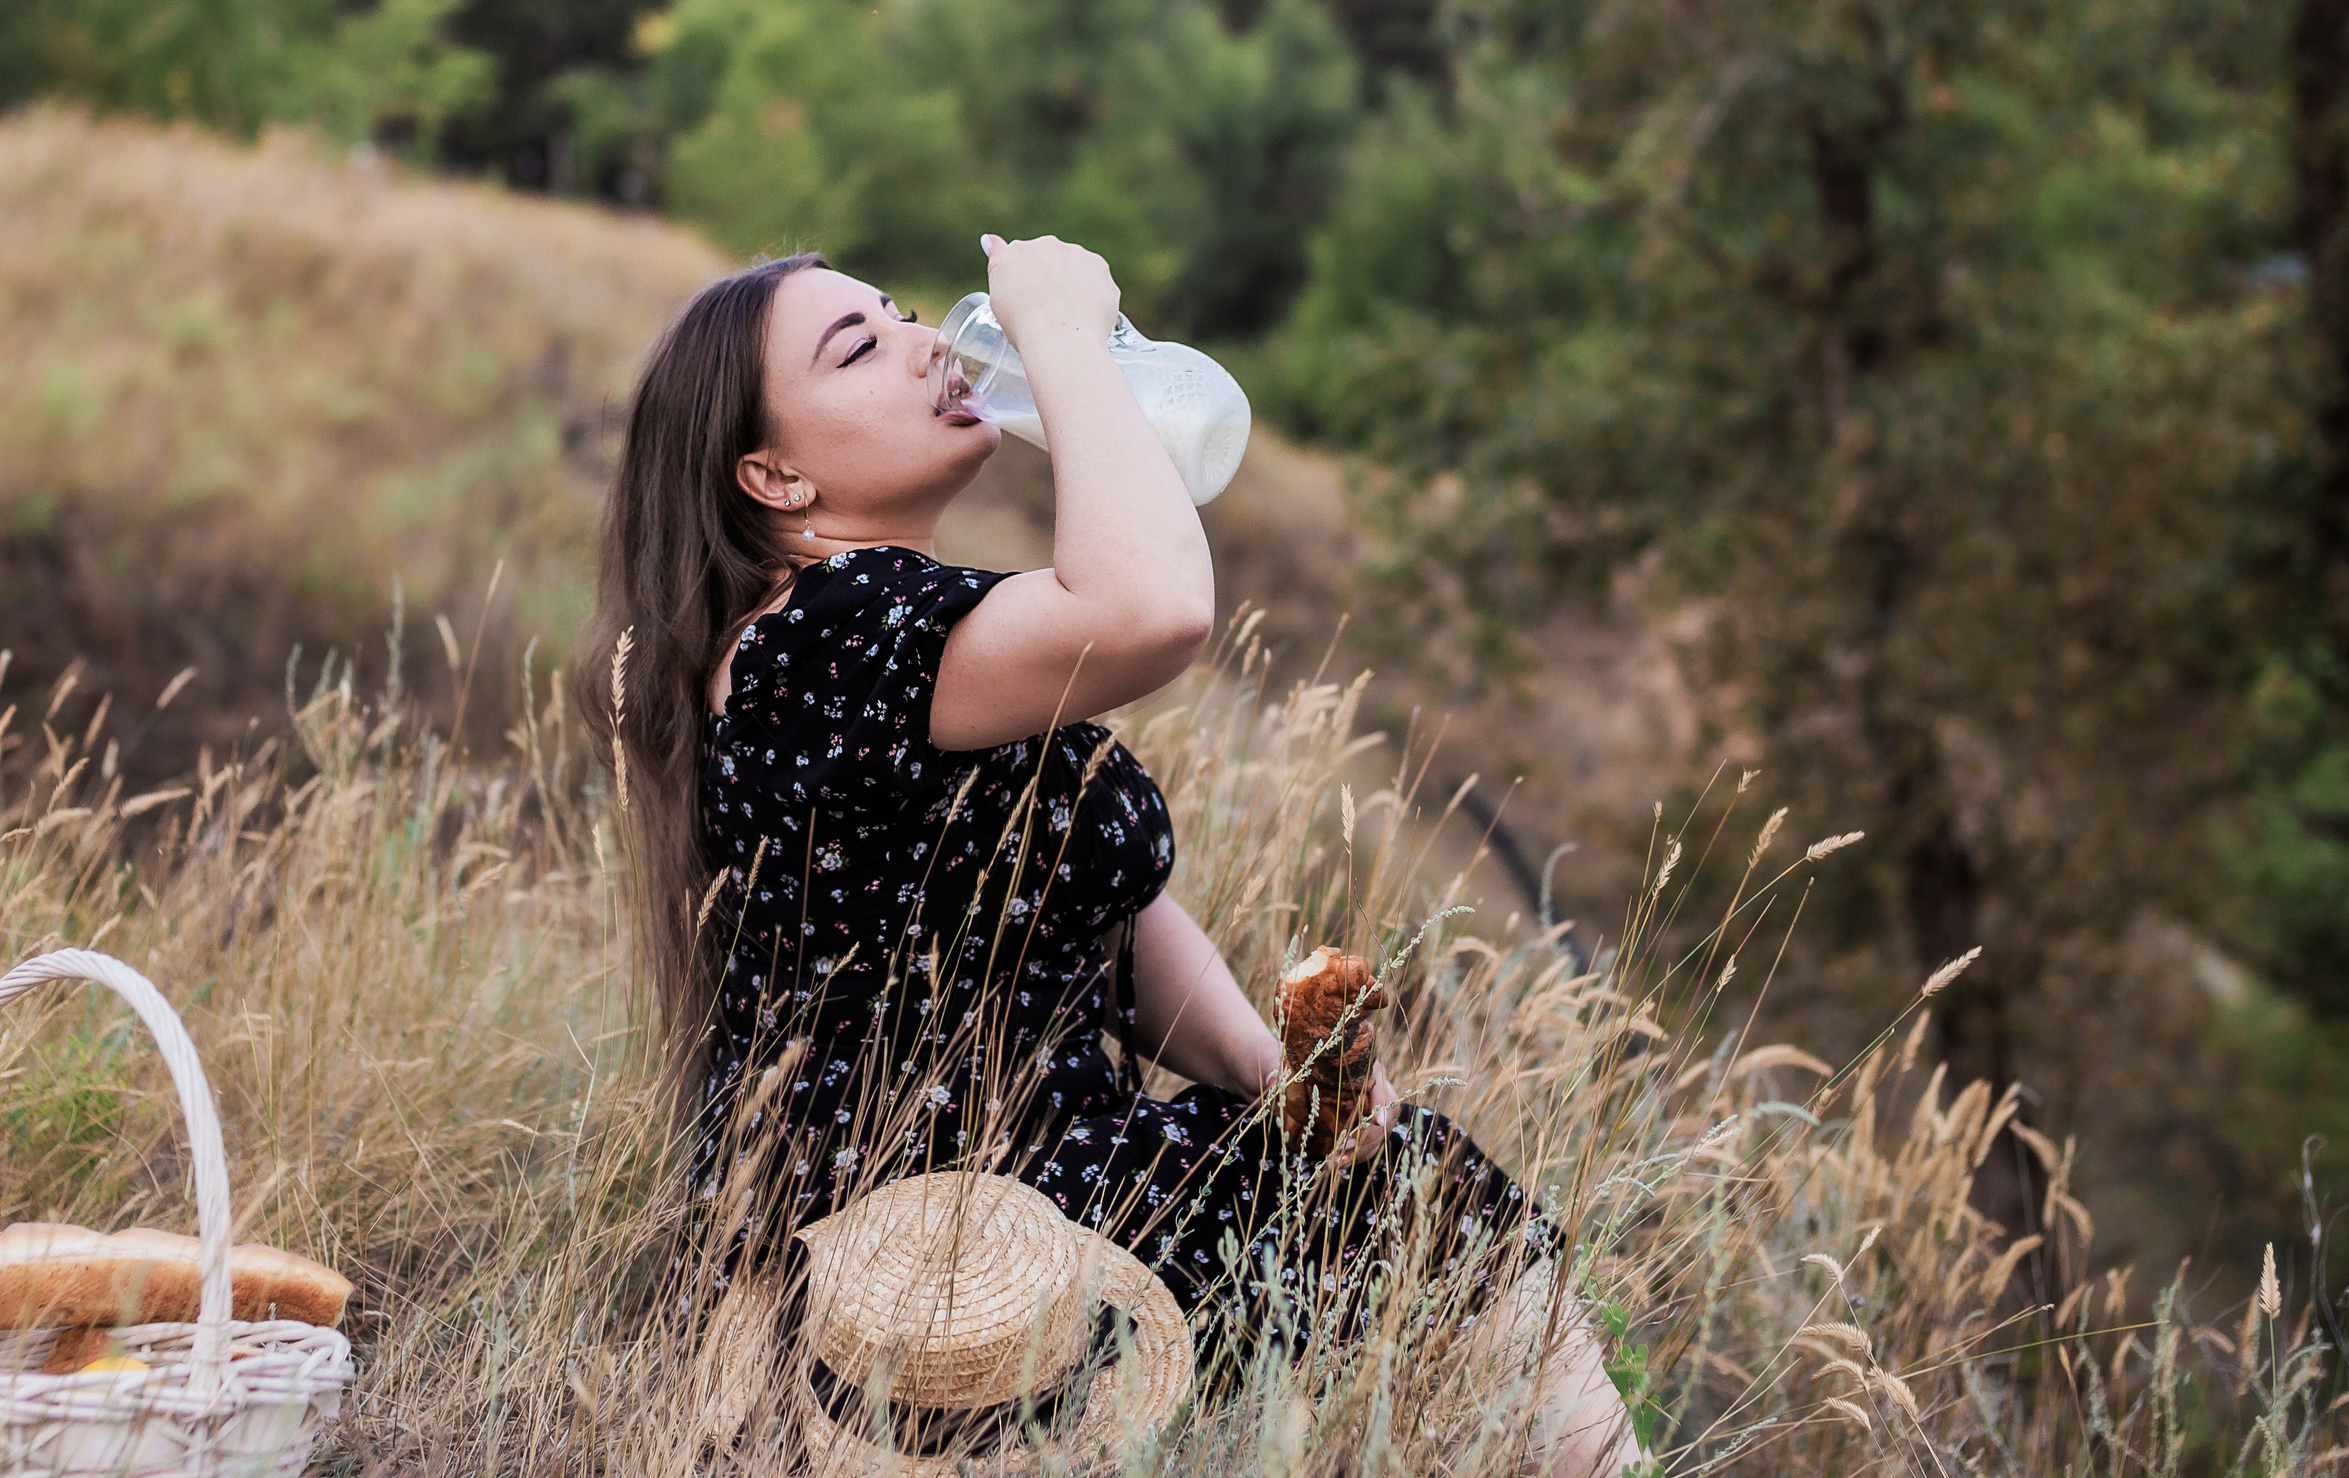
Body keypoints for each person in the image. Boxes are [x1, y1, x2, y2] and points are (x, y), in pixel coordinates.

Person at [582, 234, 1642, 1476]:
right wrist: (1067, 338)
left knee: (1400, 1183)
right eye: (860, 345)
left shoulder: (900, 624)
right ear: (774, 473)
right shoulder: (812, 640)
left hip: (1044, 1184)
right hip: (932, 1246)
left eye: (906, 311)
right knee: (1424, 1202)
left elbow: (1102, 916)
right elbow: (1151, 606)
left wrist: (1278, 1075)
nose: (931, 341)